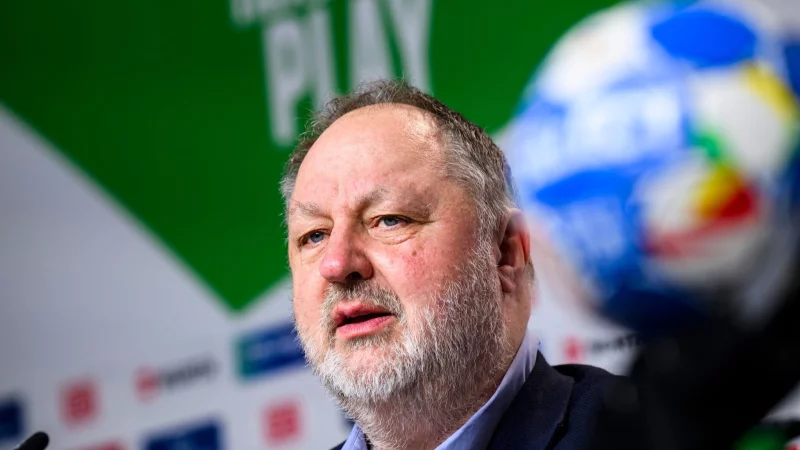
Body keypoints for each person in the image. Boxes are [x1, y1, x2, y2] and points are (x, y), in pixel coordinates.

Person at [281, 79, 617, 450]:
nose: (337, 263)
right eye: (314, 235)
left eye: (390, 219)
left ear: (504, 253)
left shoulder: (645, 431)